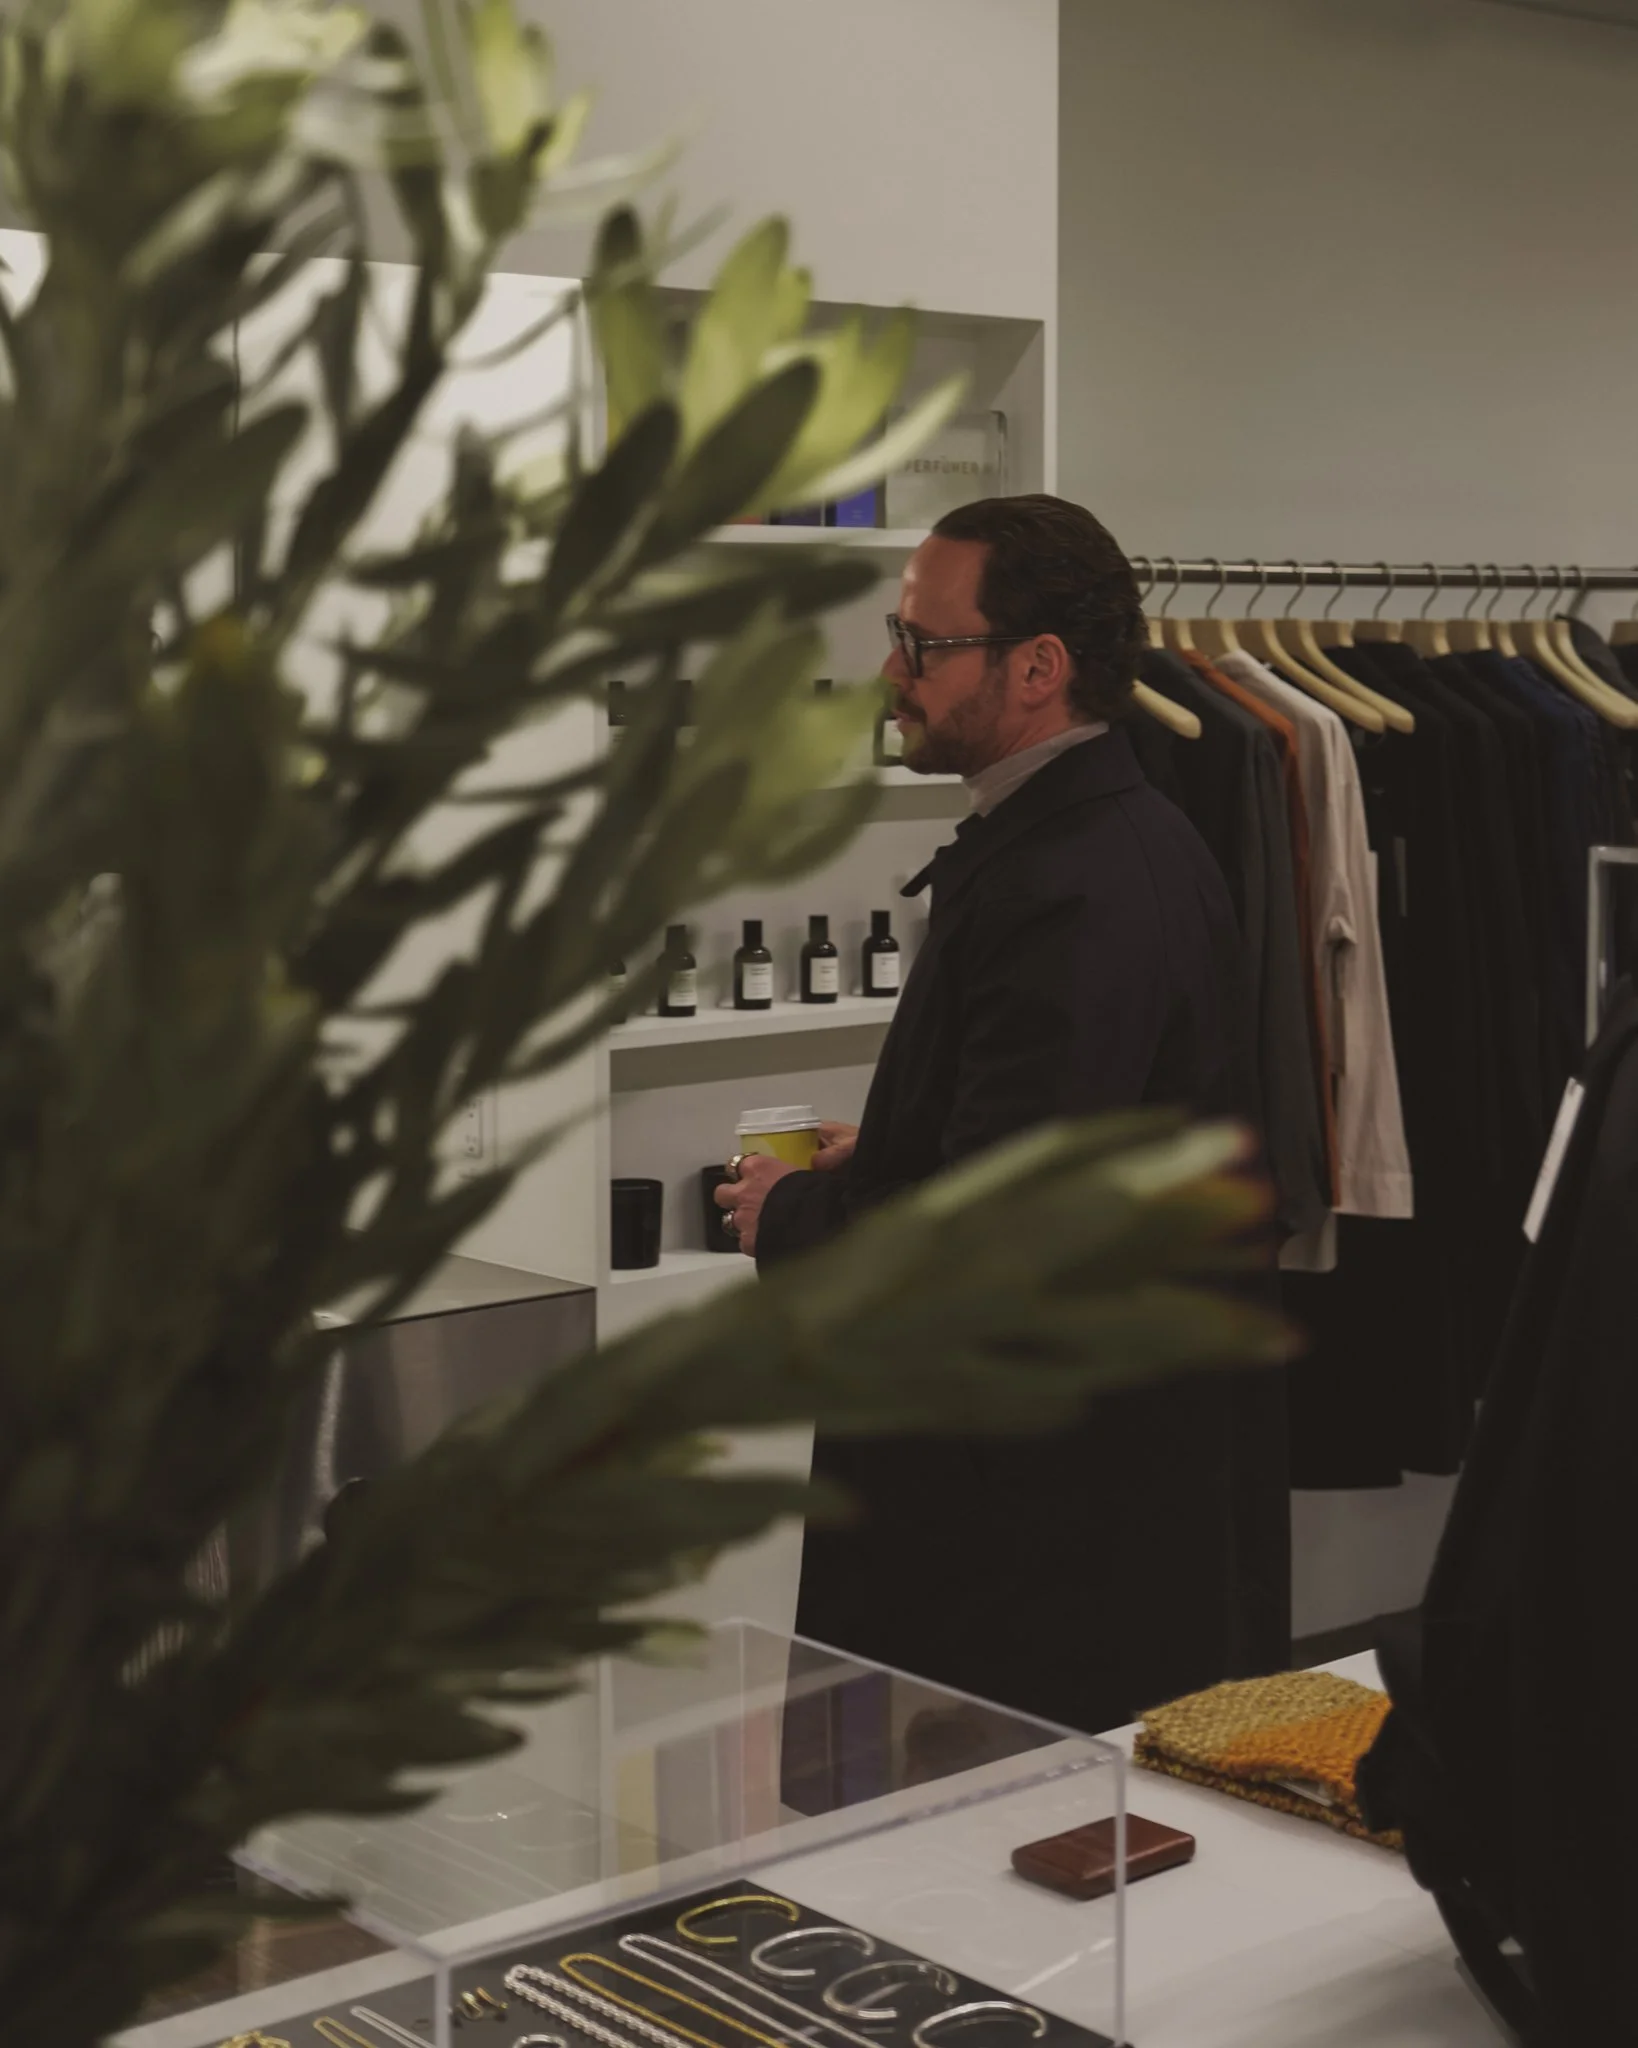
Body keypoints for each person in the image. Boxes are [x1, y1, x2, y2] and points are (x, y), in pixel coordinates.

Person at [715, 494, 1288, 1734]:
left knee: (980, 1886)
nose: (893, 674)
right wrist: (906, 1144)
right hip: (1044, 1496)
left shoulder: (1076, 883)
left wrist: (795, 1213)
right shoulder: (1085, 845)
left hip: (1030, 1539)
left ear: (1038, 667)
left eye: (924, 644)